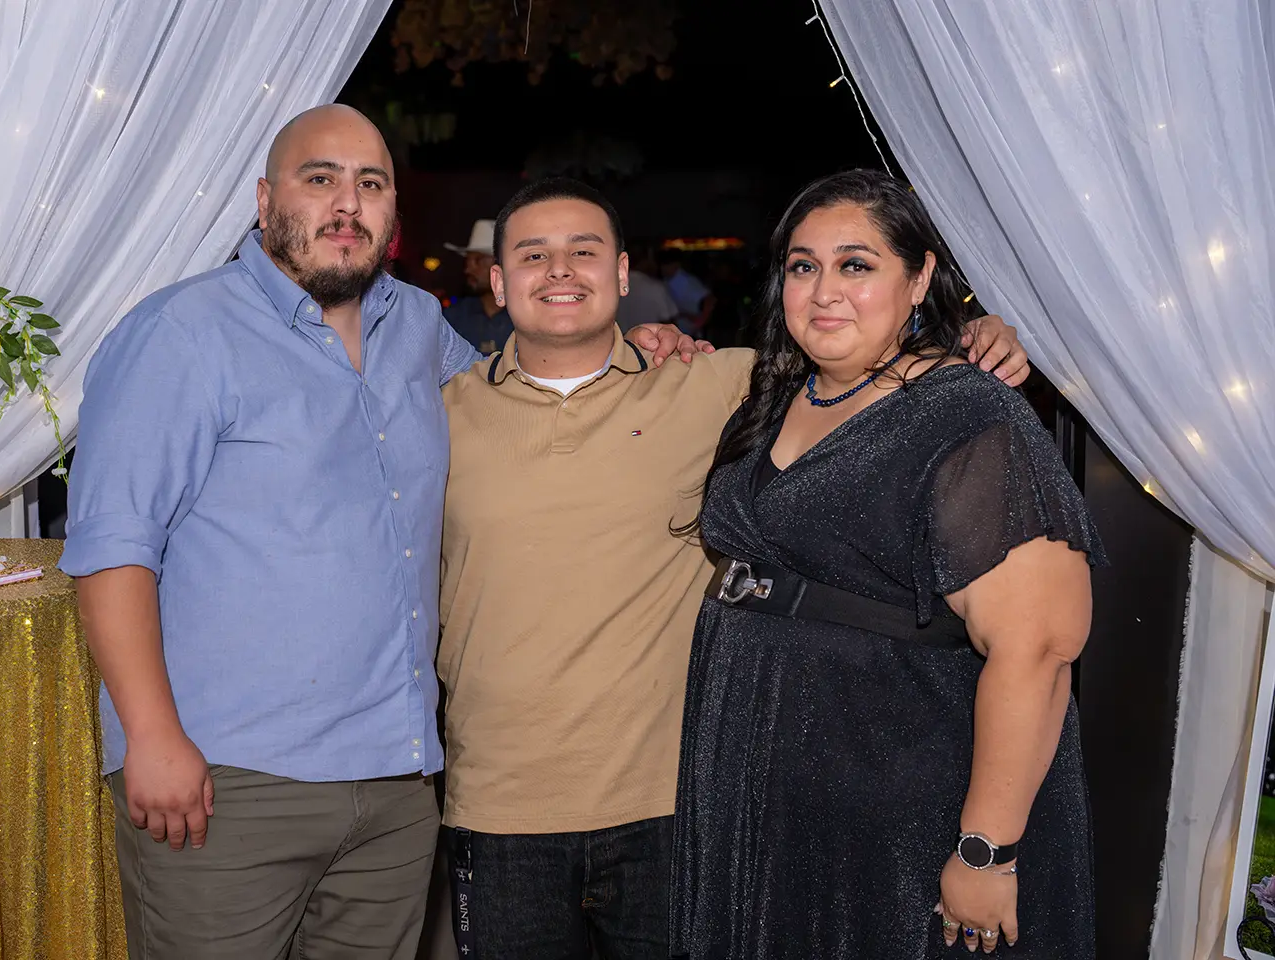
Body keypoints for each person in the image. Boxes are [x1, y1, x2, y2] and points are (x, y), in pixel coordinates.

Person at [58, 106, 697, 960]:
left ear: (394, 209)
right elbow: (112, 549)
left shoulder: (418, 325)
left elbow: (524, 399)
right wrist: (152, 737)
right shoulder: (181, 333)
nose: (346, 203)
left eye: (370, 183)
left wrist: (632, 345)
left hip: (398, 784)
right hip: (228, 780)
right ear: (264, 200)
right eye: (319, 178)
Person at [436, 177, 1030, 959]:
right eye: (533, 254)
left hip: (675, 804)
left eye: (584, 251)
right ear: (497, 279)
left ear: (623, 274)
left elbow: (861, 360)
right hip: (497, 807)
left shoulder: (719, 384)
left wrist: (974, 336)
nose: (560, 271)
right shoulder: (435, 415)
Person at [670, 170, 1103, 959]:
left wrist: (986, 850)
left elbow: (1039, 650)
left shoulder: (970, 415)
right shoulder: (779, 392)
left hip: (900, 798)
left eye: (856, 265)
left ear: (920, 277)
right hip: (767, 792)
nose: (824, 291)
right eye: (803, 266)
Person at [442, 219, 513, 354]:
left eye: (478, 260)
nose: (468, 270)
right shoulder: (454, 317)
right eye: (467, 261)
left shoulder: (527, 316)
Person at [616, 242, 680, 332]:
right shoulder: (655, 288)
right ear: (647, 259)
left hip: (618, 339)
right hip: (650, 340)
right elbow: (670, 325)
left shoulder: (611, 287)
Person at [659, 250, 715, 334]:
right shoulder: (665, 281)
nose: (663, 268)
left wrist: (700, 322)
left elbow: (709, 299)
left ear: (676, 264)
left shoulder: (687, 281)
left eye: (666, 265)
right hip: (675, 330)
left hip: (689, 331)